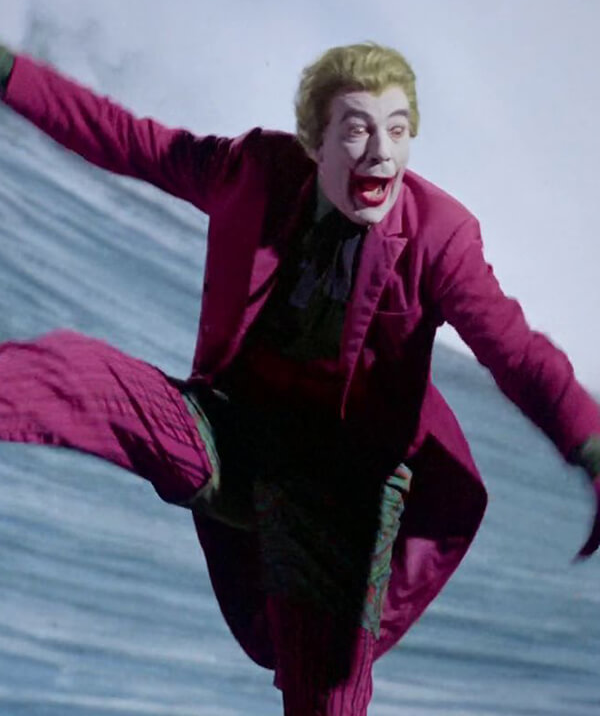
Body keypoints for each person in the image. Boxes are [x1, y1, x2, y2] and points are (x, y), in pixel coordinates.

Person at [0, 40, 598, 716]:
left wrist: (589, 444)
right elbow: (125, 139)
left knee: (325, 694)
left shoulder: (440, 236)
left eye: (398, 129)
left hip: (341, 488)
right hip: (232, 429)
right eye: (358, 129)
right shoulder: (255, 170)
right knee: (79, 376)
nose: (381, 152)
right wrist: (10, 73)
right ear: (315, 142)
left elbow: (514, 350)